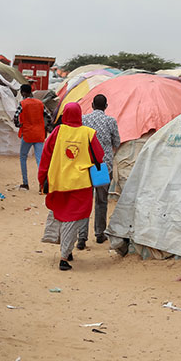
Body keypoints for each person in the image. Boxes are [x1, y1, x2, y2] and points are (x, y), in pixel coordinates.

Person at [38, 103, 104, 271]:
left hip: (58, 182)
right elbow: (99, 155)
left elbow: (46, 154)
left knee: (61, 214)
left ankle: (65, 248)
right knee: (74, 218)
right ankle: (64, 256)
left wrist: (42, 178)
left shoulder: (57, 132)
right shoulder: (88, 133)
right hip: (81, 184)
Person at [80, 94, 120, 247]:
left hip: (85, 164)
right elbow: (117, 141)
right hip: (104, 166)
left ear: (92, 104)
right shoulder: (110, 121)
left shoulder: (84, 120)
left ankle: (82, 237)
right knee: (101, 201)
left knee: (85, 201)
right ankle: (99, 233)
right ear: (106, 106)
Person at [14, 84, 52, 190]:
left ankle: (25, 183)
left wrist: (19, 125)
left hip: (27, 134)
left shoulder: (23, 103)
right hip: (39, 134)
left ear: (23, 93)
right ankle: (42, 184)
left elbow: (15, 117)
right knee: (39, 159)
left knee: (23, 157)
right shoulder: (40, 103)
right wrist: (46, 127)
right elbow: (48, 117)